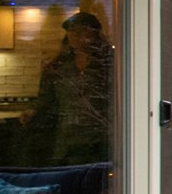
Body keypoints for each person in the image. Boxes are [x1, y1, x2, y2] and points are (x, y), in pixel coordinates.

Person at [27, 10, 116, 166]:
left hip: (100, 142)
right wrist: (33, 113)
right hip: (67, 143)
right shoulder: (57, 67)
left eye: (82, 31)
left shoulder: (110, 64)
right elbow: (45, 100)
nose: (76, 35)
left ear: (95, 35)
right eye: (72, 31)